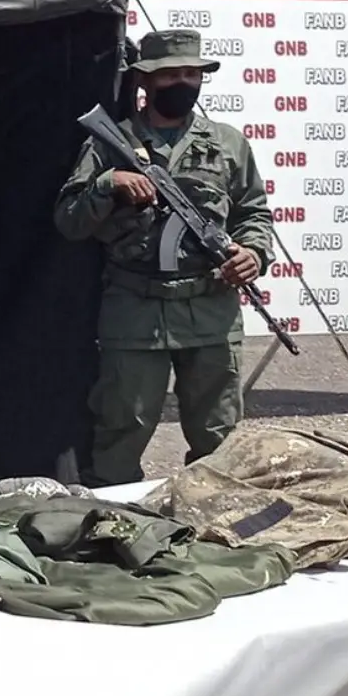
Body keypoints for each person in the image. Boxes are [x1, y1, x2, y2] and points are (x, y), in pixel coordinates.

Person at [53, 27, 272, 486]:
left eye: (193, 74)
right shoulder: (110, 142)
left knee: (220, 435)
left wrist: (252, 252)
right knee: (120, 429)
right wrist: (107, 184)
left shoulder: (228, 144)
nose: (183, 83)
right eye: (171, 75)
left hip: (211, 310)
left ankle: (216, 525)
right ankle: (114, 529)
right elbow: (68, 221)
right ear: (145, 83)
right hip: (135, 311)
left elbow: (253, 212)